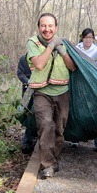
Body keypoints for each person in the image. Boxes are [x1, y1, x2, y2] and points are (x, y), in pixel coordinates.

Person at [26, 13, 76, 178]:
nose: (47, 29)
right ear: (39, 27)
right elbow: (39, 64)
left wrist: (61, 49)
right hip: (42, 92)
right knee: (46, 125)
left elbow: (72, 67)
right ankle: (47, 165)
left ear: (56, 27)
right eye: (43, 26)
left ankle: (54, 160)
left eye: (50, 26)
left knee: (59, 128)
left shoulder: (64, 43)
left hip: (62, 92)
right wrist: (51, 46)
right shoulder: (33, 43)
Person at [16, 54, 37, 154]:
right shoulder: (23, 59)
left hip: (40, 90)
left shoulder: (43, 57)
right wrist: (28, 82)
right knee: (25, 113)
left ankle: (33, 138)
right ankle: (27, 142)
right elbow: (20, 74)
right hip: (27, 91)